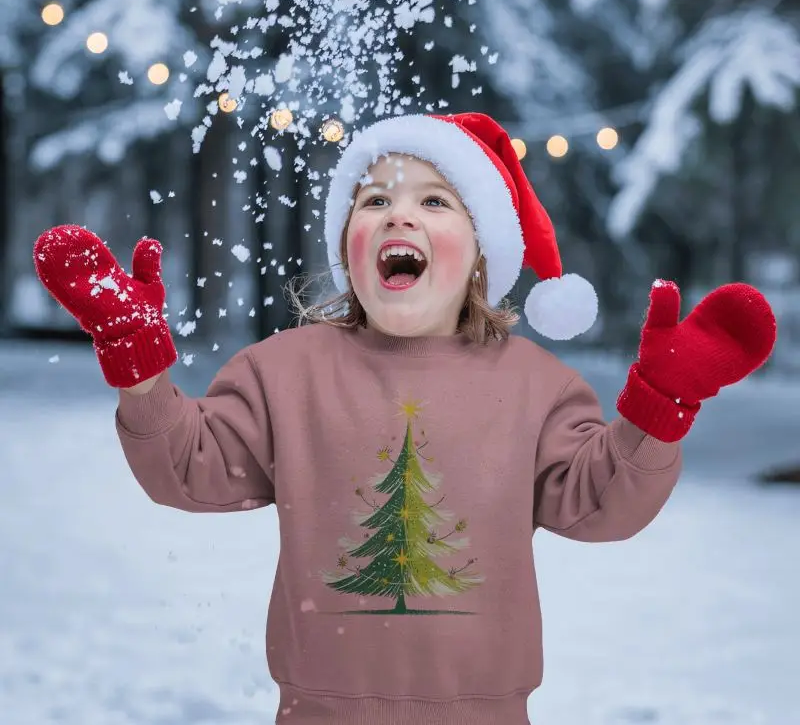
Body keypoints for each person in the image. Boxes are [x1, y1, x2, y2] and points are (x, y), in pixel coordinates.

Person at [33, 111, 777, 725]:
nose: (401, 214)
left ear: (481, 254)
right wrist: (140, 365)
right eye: (375, 200)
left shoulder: (534, 386)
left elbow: (603, 504)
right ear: (349, 248)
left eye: (434, 201)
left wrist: (659, 405)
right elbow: (188, 471)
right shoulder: (283, 372)